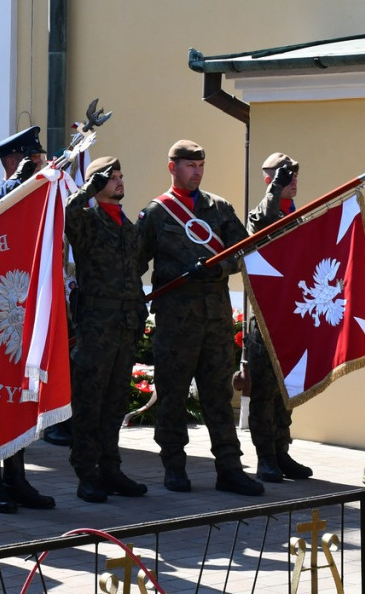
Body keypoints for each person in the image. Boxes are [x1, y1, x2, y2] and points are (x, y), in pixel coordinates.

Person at [134, 140, 263, 496]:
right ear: (172, 167)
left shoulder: (219, 208)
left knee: (218, 396)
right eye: (190, 165)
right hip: (176, 322)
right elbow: (134, 261)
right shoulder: (157, 214)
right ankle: (174, 466)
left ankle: (230, 468)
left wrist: (218, 267)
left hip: (216, 320)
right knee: (173, 396)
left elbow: (245, 251)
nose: (196, 172)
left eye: (201, 165)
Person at [0, 127, 56, 514]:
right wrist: (15, 185)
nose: (37, 163)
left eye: (37, 158)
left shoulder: (35, 196)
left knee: (21, 397)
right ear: (12, 162)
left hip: (24, 310)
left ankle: (17, 478)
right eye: (29, 159)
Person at [64, 157, 148, 503]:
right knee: (89, 403)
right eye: (112, 178)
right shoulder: (87, 220)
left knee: (114, 404)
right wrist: (88, 188)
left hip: (124, 326)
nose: (119, 181)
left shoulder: (127, 226)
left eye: (120, 175)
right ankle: (87, 473)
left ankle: (110, 468)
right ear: (98, 185)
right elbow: (65, 215)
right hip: (96, 327)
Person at [245, 152, 313, 483]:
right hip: (265, 317)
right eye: (284, 175)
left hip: (292, 313)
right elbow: (260, 226)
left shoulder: (296, 216)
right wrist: (275, 188)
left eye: (295, 173)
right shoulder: (259, 214)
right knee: (263, 390)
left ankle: (282, 451)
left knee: (286, 389)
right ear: (268, 178)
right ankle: (265, 457)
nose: (292, 179)